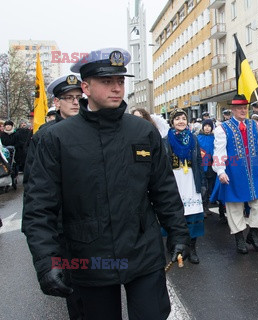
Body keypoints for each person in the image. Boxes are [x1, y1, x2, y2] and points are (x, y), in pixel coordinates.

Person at [22, 48, 190, 320]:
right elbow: (39, 207)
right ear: (86, 87)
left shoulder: (143, 131)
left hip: (143, 251)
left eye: (120, 81)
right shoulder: (57, 139)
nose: (116, 88)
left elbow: (164, 190)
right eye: (107, 82)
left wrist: (179, 234)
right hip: (90, 257)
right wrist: (46, 261)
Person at [22, 73, 85, 319]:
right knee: (77, 296)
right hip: (64, 228)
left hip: (97, 227)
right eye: (68, 98)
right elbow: (34, 189)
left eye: (79, 97)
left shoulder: (94, 129)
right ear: (57, 103)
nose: (74, 102)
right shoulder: (44, 136)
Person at [212, 94, 258, 254]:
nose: (243, 110)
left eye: (244, 108)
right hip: (233, 171)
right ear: (232, 110)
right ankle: (239, 238)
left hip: (254, 171)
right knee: (234, 207)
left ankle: (253, 234)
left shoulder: (256, 125)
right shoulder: (222, 129)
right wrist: (220, 171)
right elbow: (218, 151)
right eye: (239, 108)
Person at [164, 108, 205, 264]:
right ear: (172, 122)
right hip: (175, 180)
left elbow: (199, 162)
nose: (181, 121)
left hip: (190, 180)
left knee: (193, 215)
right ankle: (175, 245)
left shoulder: (193, 138)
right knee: (175, 215)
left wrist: (202, 183)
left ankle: (192, 249)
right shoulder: (165, 140)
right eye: (177, 119)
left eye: (183, 118)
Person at [197, 118, 216, 216]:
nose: (207, 128)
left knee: (209, 188)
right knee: (203, 187)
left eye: (209, 126)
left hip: (211, 167)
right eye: (205, 126)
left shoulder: (214, 137)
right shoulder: (198, 137)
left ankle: (206, 206)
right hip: (201, 166)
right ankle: (202, 208)